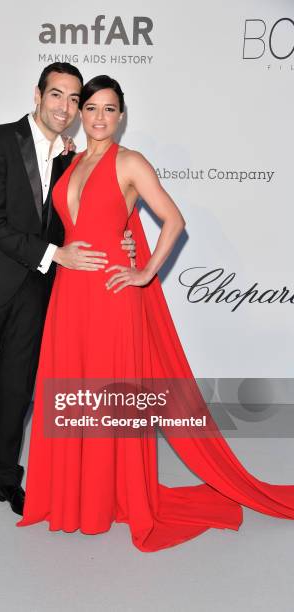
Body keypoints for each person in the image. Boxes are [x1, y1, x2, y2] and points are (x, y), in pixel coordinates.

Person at [17, 75, 294, 552]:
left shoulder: (131, 162)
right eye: (91, 108)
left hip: (109, 294)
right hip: (69, 294)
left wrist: (143, 271)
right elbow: (70, 225)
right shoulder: (71, 163)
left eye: (109, 109)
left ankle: (106, 497)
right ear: (80, 114)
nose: (99, 117)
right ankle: (74, 496)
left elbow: (174, 219)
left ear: (121, 116)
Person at [0, 64, 135, 541]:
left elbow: (79, 222)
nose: (65, 107)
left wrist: (123, 243)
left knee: (21, 394)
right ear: (38, 94)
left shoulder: (72, 159)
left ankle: (8, 481)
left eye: (73, 100)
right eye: (57, 95)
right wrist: (51, 253)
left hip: (37, 292)